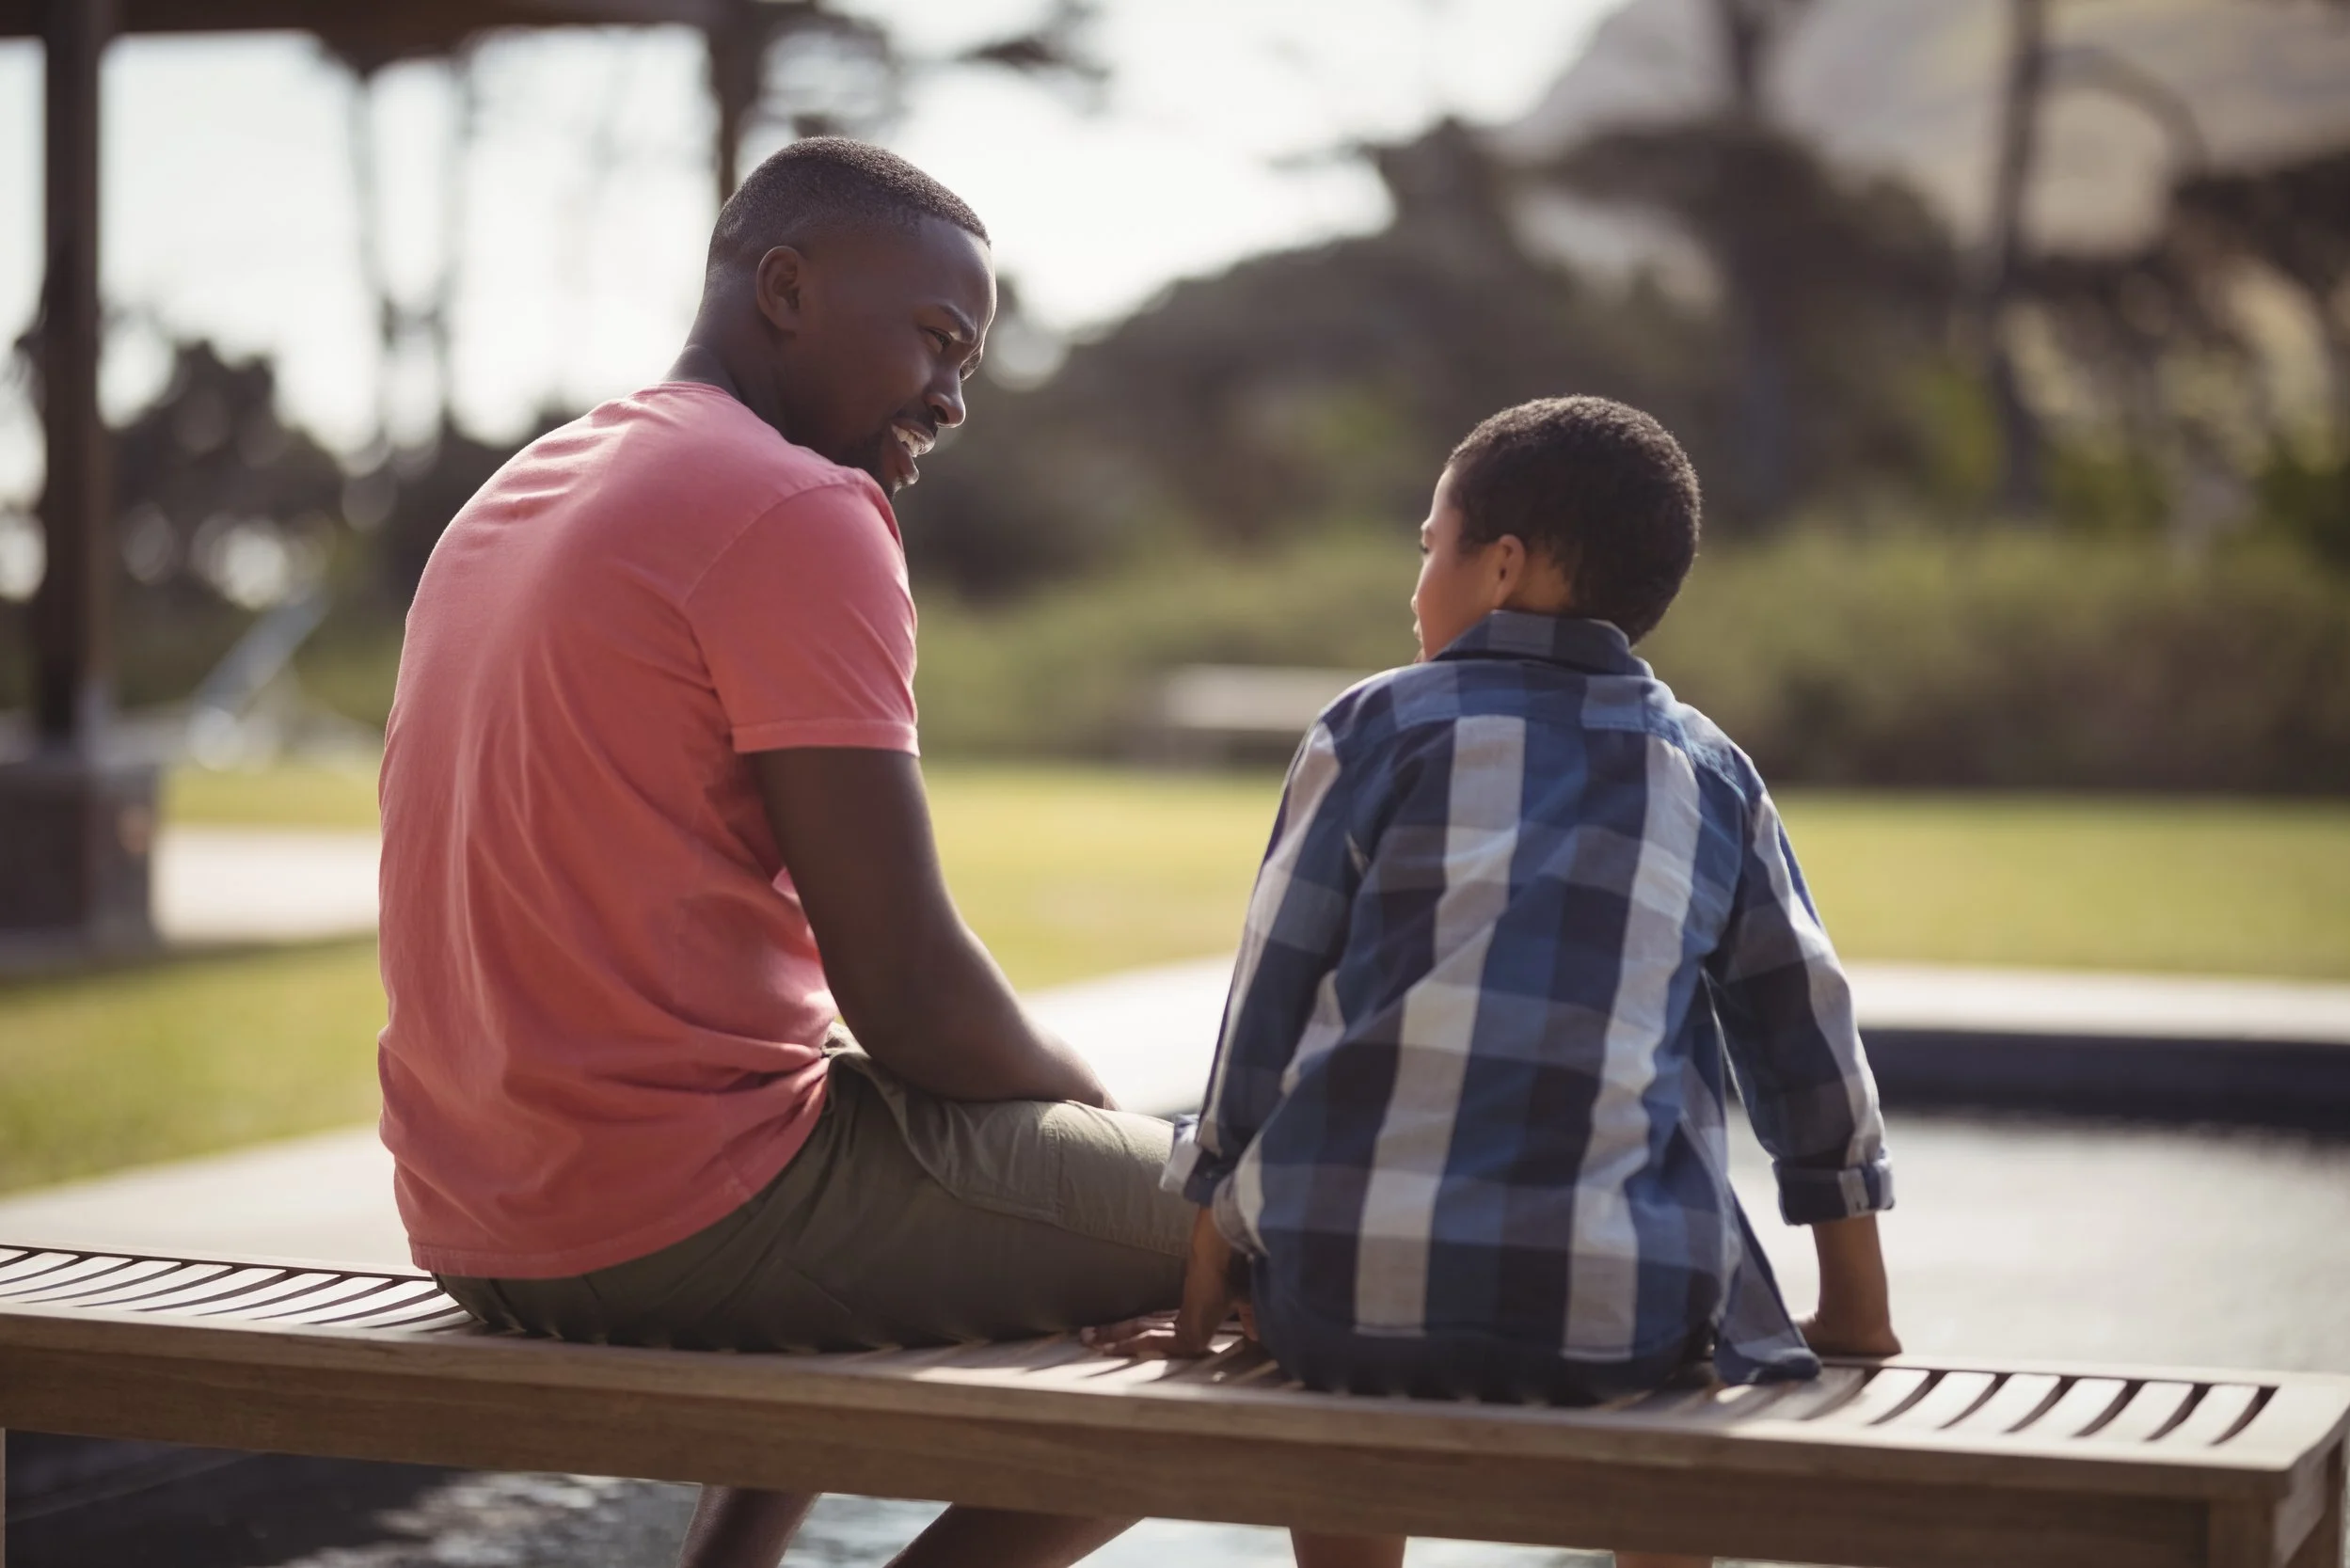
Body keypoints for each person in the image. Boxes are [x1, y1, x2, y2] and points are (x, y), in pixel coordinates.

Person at [375, 138, 1195, 1568]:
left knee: (877, 1136)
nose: (950, 396)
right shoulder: (797, 508)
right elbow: (911, 989)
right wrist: (1115, 1136)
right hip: (670, 1218)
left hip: (476, 1209)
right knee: (1289, 1244)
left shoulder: (527, 487)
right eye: (936, 340)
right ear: (788, 286)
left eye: (971, 364)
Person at [1085, 397, 1903, 1568]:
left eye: (1429, 547)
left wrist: (1209, 1288)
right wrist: (1855, 1313)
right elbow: (1804, 1042)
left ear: (1503, 566)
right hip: (1622, 1313)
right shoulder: (1708, 770)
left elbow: (1263, 1016)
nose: (1414, 581)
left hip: (1338, 1304)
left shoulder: (1370, 728)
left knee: (1346, 1356)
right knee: (1682, 1347)